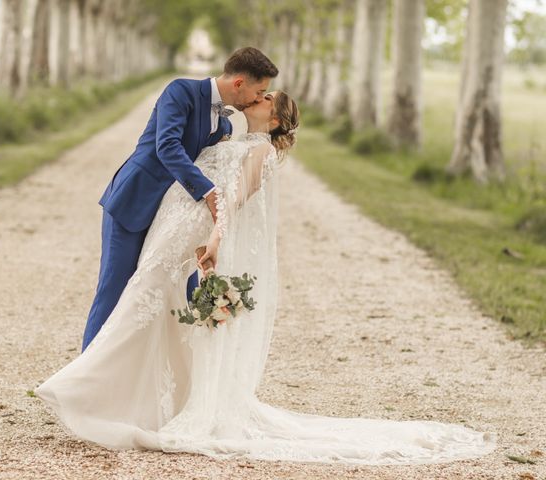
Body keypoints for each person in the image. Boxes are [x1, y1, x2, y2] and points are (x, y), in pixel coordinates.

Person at [36, 90, 496, 464]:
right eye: (261, 90)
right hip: (169, 223)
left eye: (267, 96)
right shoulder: (229, 132)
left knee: (144, 298)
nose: (258, 96)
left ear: (274, 118)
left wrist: (214, 242)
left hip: (191, 232)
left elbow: (233, 204)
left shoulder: (260, 152)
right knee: (152, 305)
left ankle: (86, 392)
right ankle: (130, 397)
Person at [81, 47, 279, 352]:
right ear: (239, 83)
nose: (258, 98)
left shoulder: (225, 125)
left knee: (174, 299)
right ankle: (85, 383)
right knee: (113, 291)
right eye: (259, 90)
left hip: (173, 221)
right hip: (134, 201)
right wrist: (209, 191)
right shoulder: (181, 91)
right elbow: (168, 147)